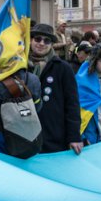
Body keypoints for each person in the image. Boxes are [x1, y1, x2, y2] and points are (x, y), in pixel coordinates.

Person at [29, 23, 84, 154]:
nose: (41, 43)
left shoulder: (62, 68)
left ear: (52, 44)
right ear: (30, 40)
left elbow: (72, 104)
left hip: (54, 135)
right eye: (37, 39)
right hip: (25, 135)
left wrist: (74, 136)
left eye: (47, 40)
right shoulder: (20, 66)